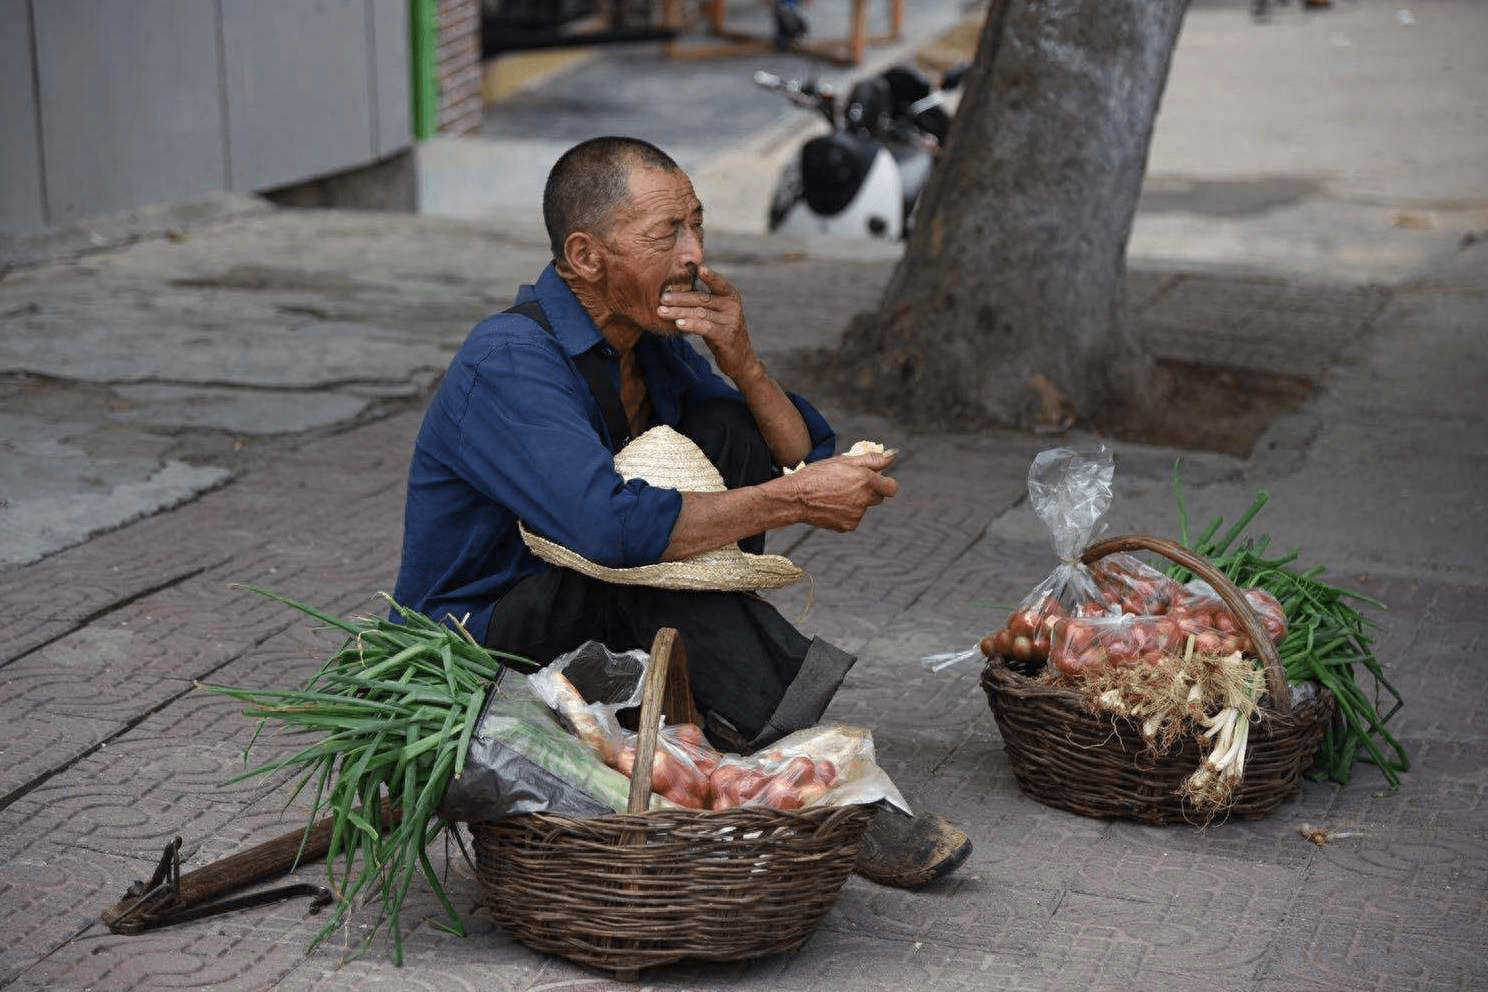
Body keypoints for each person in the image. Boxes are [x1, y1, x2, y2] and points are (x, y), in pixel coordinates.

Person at [392, 135, 969, 889]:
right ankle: (832, 787)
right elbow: (612, 531)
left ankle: (716, 715)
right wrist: (797, 499)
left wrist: (744, 361)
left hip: (586, 602)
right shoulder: (507, 360)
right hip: (480, 637)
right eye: (668, 234)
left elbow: (791, 451)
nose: (695, 254)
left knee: (725, 432)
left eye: (697, 225)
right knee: (649, 569)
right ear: (586, 256)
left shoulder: (649, 343)